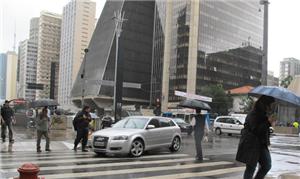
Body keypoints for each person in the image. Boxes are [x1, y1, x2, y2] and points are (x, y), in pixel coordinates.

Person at [236, 95, 276, 179]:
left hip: (261, 144)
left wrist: (269, 122)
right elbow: (257, 130)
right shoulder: (254, 113)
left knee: (267, 165)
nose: (271, 107)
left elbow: (263, 130)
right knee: (251, 168)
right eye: (271, 104)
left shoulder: (263, 113)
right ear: (265, 104)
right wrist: (268, 122)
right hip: (251, 144)